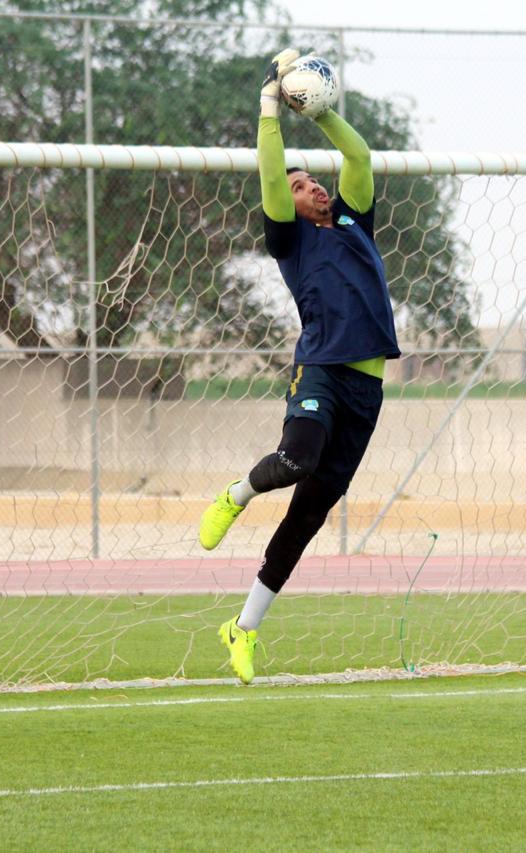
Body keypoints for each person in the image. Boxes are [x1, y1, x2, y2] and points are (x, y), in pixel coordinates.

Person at [198, 49, 400, 685]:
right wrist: (269, 110)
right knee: (295, 460)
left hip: (367, 388)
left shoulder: (352, 220)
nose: (309, 183)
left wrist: (322, 114)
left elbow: (360, 158)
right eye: (297, 183)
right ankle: (235, 495)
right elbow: (268, 178)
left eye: (312, 179)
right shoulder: (290, 238)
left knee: (307, 516)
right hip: (319, 370)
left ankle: (244, 629)